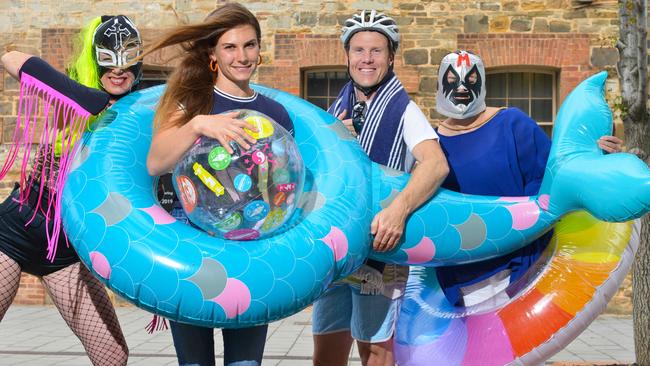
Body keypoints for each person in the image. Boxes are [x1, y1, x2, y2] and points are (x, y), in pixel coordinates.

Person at [144, 3, 293, 366]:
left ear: (260, 48)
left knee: (246, 363)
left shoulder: (277, 114)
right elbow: (156, 162)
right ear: (213, 52)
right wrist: (199, 125)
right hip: (192, 247)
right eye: (230, 47)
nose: (242, 56)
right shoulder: (194, 100)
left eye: (250, 45)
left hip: (249, 251)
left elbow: (284, 183)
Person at [0, 14, 143, 366]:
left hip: (65, 252)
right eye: (109, 61)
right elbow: (10, 57)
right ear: (96, 60)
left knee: (113, 356)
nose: (118, 71)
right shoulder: (73, 99)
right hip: (16, 230)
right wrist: (89, 100)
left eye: (128, 61)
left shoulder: (141, 115)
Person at [431, 50, 623, 308]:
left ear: (482, 82)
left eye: (470, 79)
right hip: (462, 273)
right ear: (441, 84)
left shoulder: (512, 124)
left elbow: (556, 176)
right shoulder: (431, 144)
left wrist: (597, 155)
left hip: (518, 266)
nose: (462, 87)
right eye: (453, 80)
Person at [311, 10, 449, 366]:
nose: (366, 59)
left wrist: (398, 211)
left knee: (375, 349)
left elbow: (435, 164)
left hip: (378, 250)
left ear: (391, 57)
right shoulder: (337, 109)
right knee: (326, 350)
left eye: (376, 51)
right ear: (347, 56)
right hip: (336, 251)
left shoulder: (404, 111)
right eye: (358, 50)